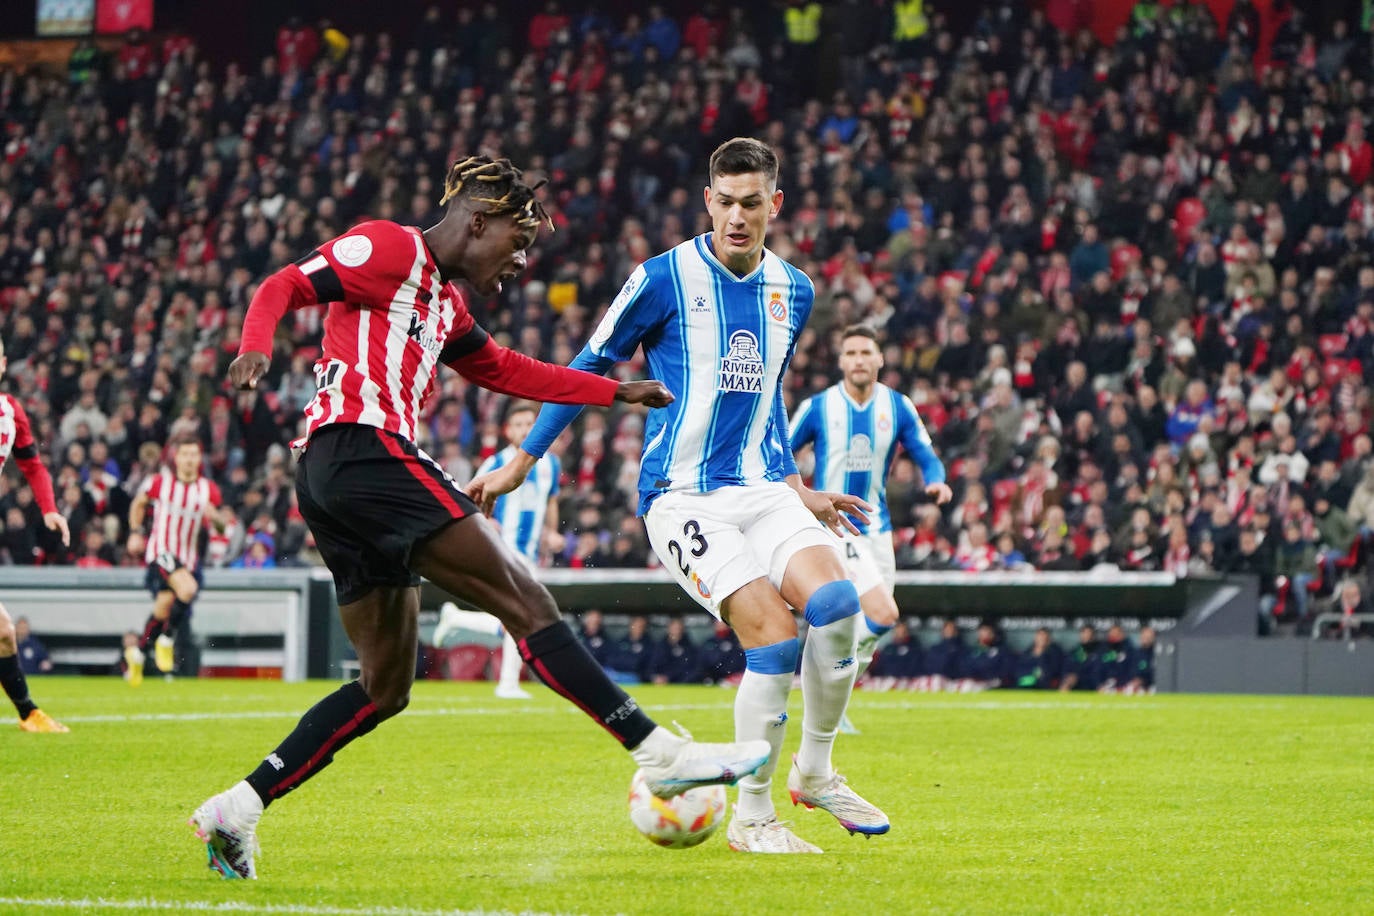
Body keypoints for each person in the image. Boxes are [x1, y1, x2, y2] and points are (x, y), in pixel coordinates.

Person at [190, 155, 770, 880]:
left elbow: (502, 368)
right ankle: (663, 754)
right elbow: (283, 285)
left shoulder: (445, 302)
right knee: (525, 600)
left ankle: (236, 808)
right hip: (362, 450)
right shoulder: (390, 247)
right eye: (516, 243)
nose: (520, 262)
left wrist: (610, 393)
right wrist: (254, 346)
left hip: (337, 477)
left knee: (385, 685)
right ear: (477, 221)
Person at [471, 138, 885, 853]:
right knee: (775, 637)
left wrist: (797, 486)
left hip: (763, 487)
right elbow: (587, 365)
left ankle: (813, 773)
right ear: (707, 202)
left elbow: (767, 400)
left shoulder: (797, 288)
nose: (736, 216)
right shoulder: (661, 278)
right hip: (682, 497)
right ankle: (754, 820)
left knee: (840, 605)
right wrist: (519, 459)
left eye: (751, 203)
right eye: (724, 202)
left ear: (773, 206)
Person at [789, 324, 950, 730]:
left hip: (878, 530)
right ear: (841, 361)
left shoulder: (897, 407)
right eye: (851, 353)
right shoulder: (819, 407)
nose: (859, 360)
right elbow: (781, 455)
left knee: (871, 628)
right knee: (882, 612)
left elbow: (925, 453)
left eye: (866, 353)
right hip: (835, 526)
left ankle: (831, 701)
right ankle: (819, 688)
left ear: (880, 359)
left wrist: (936, 479)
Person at [0, 340, 71, 732]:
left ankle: (28, 713)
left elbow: (33, 466)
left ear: (3, 363)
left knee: (4, 635)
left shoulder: (11, 412)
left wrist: (49, 509)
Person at [472, 402, 564, 699]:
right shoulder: (494, 463)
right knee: (525, 612)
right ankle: (508, 683)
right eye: (519, 425)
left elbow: (550, 500)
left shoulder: (550, 463)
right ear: (507, 431)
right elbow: (469, 498)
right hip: (504, 548)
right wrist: (486, 524)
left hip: (530, 551)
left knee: (518, 614)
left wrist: (552, 532)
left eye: (530, 423)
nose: (525, 429)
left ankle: (456, 620)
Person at [128, 438, 223, 676]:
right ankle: (167, 639)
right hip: (161, 552)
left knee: (164, 606)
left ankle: (138, 653)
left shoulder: (207, 489)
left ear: (199, 459)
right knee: (188, 590)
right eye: (185, 454)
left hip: (187, 559)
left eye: (194, 454)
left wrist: (217, 519)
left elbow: (220, 526)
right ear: (176, 458)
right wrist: (135, 533)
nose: (190, 459)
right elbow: (139, 504)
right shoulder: (161, 483)